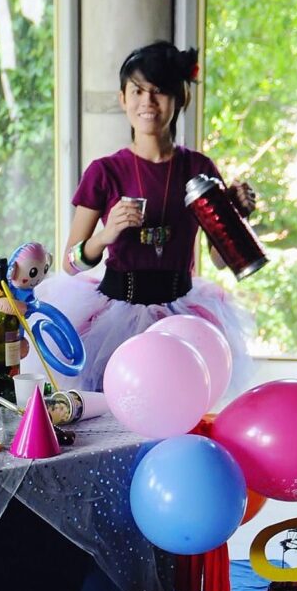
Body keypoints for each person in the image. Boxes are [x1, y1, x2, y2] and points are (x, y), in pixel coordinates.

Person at [33, 41, 256, 391]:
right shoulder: (104, 171)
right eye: (137, 91)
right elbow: (70, 263)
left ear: (181, 98)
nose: (147, 102)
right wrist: (106, 235)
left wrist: (237, 217)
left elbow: (219, 259)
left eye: (159, 91)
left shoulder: (199, 168)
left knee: (179, 404)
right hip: (115, 317)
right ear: (123, 99)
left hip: (182, 315)